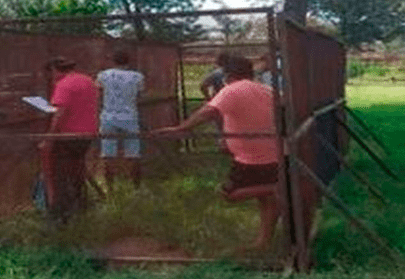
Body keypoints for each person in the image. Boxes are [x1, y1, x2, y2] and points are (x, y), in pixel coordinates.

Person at [152, 55, 280, 250]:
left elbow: (207, 112)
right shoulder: (267, 89)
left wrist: (182, 128)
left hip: (250, 158)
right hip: (272, 152)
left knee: (230, 194)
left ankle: (278, 189)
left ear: (228, 75)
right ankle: (264, 241)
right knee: (265, 199)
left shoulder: (231, 89)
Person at [39, 56, 98, 224]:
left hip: (68, 134)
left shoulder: (64, 85)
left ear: (55, 70)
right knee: (76, 169)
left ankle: (60, 213)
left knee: (59, 173)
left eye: (51, 74)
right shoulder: (88, 81)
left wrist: (49, 138)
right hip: (87, 133)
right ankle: (81, 205)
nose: (51, 78)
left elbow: (60, 114)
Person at [96, 49, 145, 191]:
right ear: (128, 61)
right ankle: (136, 187)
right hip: (130, 116)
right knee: (133, 154)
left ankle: (109, 188)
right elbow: (139, 95)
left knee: (108, 154)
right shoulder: (137, 77)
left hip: (108, 116)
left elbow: (98, 93)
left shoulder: (103, 75)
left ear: (113, 60)